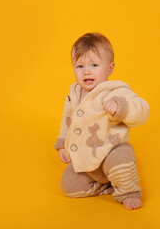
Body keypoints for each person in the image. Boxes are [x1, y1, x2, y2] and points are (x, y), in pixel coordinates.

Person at [54, 32, 149, 210]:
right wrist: (62, 144)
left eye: (94, 65)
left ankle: (128, 192)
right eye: (80, 66)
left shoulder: (115, 91)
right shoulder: (74, 94)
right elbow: (68, 121)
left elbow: (142, 110)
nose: (86, 71)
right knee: (69, 186)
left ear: (110, 68)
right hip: (86, 157)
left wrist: (121, 107)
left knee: (122, 156)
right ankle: (107, 186)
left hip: (110, 151)